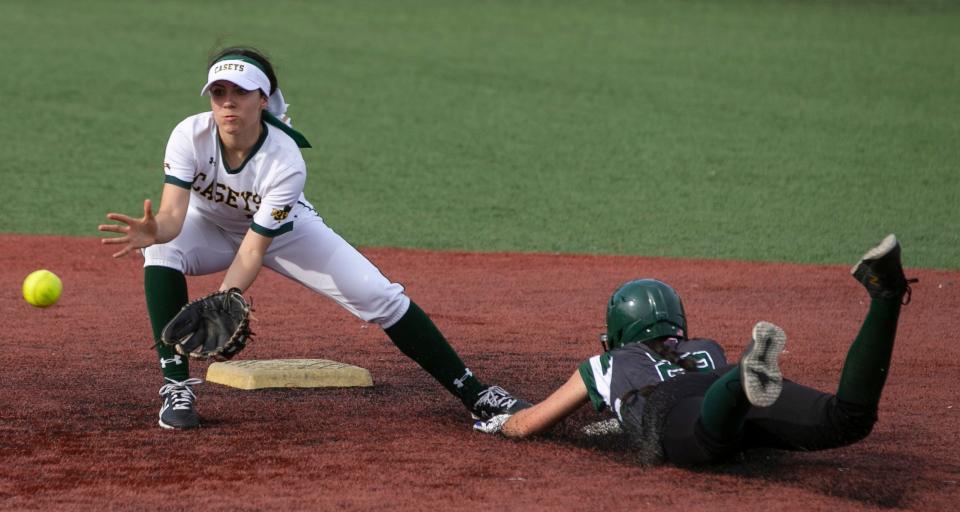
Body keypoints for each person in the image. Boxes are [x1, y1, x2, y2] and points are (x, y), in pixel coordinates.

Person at [98, 46, 528, 430]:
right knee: (160, 247)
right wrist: (156, 230)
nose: (227, 102)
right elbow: (173, 216)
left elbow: (254, 247)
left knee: (380, 295)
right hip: (207, 227)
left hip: (285, 233)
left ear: (263, 99)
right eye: (218, 92)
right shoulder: (188, 135)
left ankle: (474, 393)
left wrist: (225, 299)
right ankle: (178, 388)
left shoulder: (284, 161)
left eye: (240, 92)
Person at [474, 234, 915, 466]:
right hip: (714, 383)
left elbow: (530, 424)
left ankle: (744, 377)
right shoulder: (703, 346)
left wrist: (504, 424)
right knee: (846, 420)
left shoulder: (607, 363)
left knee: (706, 440)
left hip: (678, 409)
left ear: (620, 331)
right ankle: (884, 295)